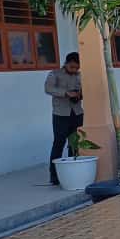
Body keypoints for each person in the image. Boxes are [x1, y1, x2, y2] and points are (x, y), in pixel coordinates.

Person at [44, 52, 83, 185]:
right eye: (72, 67)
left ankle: (74, 173)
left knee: (75, 144)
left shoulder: (80, 75)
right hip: (61, 115)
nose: (74, 70)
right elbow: (48, 88)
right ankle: (54, 176)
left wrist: (79, 94)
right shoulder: (54, 74)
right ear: (66, 63)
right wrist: (66, 93)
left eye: (76, 68)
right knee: (58, 144)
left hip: (77, 113)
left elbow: (87, 89)